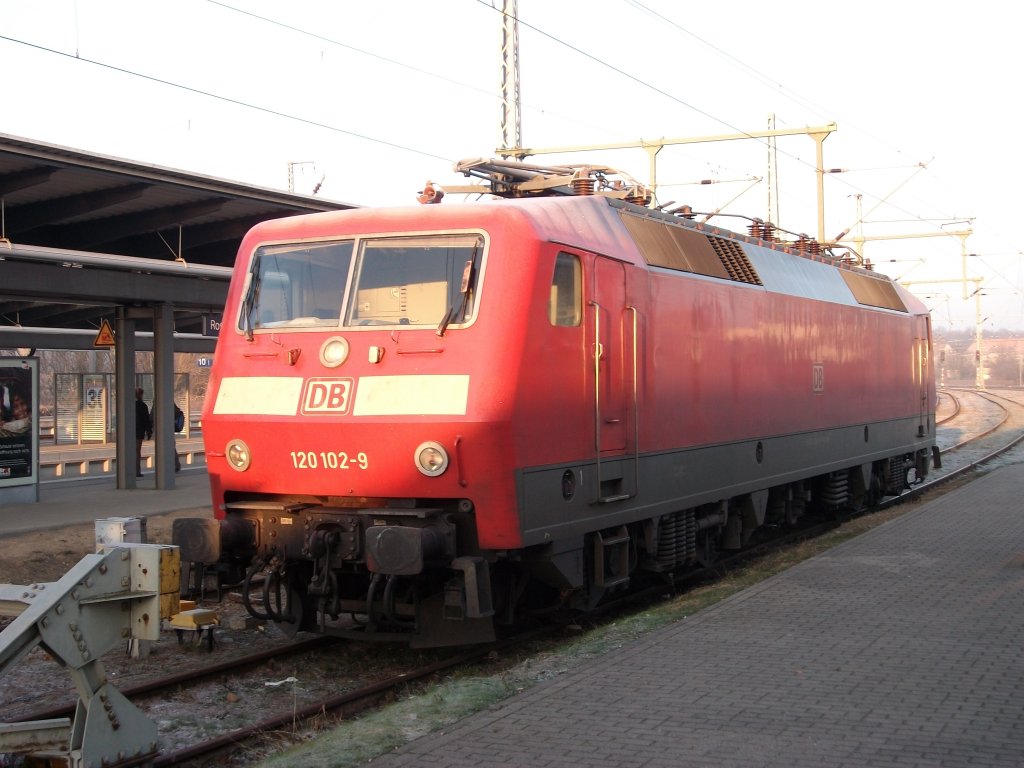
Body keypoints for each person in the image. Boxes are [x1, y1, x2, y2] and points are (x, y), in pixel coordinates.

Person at [134, 388, 151, 477]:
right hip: (139, 432)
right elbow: (146, 420)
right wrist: (149, 431)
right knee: (137, 452)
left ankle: (128, 470)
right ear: (141, 395)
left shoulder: (129, 405)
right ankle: (136, 471)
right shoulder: (143, 406)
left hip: (129, 432)